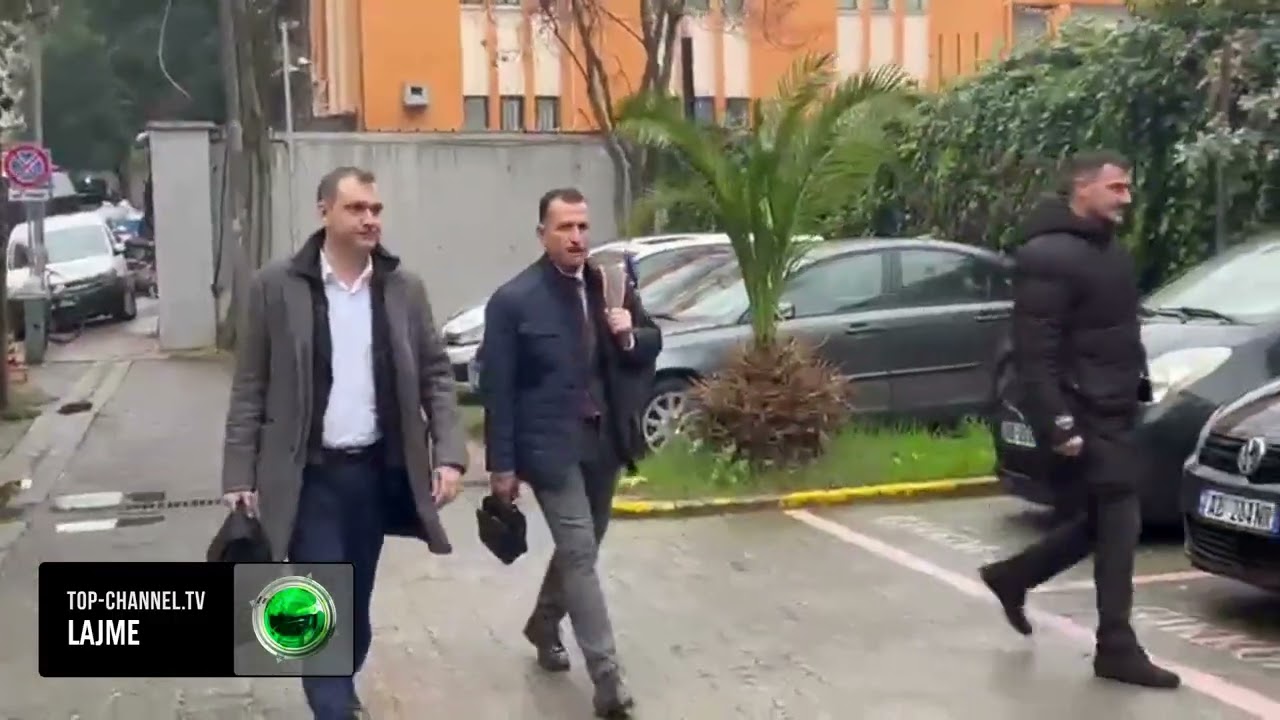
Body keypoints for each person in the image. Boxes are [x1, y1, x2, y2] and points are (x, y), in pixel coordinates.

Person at [220, 166, 468, 718]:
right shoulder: (276, 286)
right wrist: (239, 473)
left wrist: (449, 455)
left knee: (354, 604)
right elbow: (250, 386)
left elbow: (435, 375)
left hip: (374, 473)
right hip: (307, 477)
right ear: (324, 211)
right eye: (356, 208)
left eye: (375, 209)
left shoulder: (402, 288)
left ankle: (341, 686)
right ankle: (332, 707)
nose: (369, 219)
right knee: (319, 598)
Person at [978, 151, 1180, 689]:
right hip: (1082, 410)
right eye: (1116, 188)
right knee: (1120, 516)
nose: (1126, 199)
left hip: (1115, 405)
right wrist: (1058, 423)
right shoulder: (1046, 256)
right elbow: (1034, 351)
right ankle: (1116, 646)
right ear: (1081, 188)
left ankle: (1013, 577)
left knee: (1104, 521)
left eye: (1128, 188)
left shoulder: (1107, 248)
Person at [479, 187, 661, 718]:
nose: (577, 237)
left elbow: (652, 342)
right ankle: (608, 681)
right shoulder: (513, 300)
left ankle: (544, 622)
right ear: (543, 235)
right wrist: (502, 466)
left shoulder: (610, 284)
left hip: (604, 441)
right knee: (579, 551)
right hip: (548, 447)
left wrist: (629, 334)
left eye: (583, 226)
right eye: (565, 227)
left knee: (585, 546)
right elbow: (498, 390)